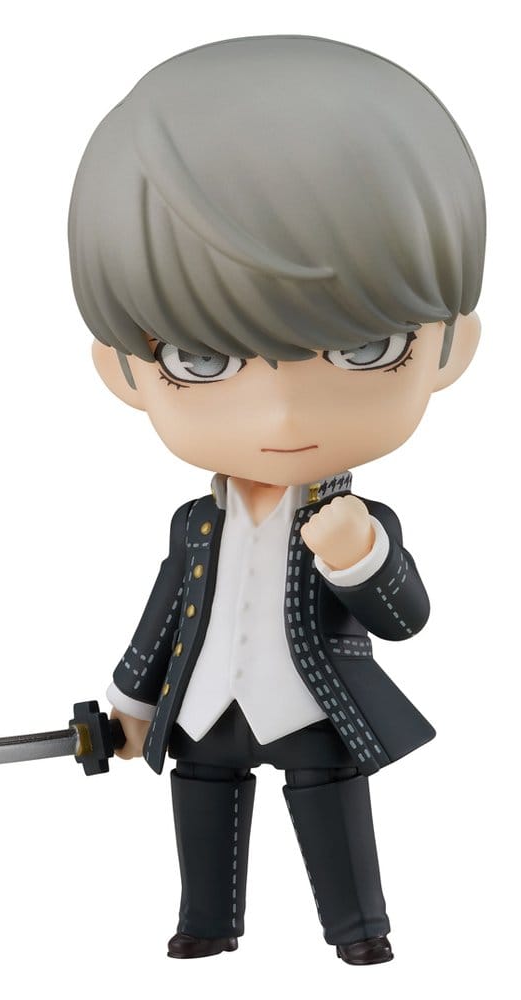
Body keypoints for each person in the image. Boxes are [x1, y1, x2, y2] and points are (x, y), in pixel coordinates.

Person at [68, 36, 485, 964]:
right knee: (202, 802)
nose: (284, 413)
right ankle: (207, 924)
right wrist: (131, 701)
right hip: (205, 706)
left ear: (450, 348)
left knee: (330, 809)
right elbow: (165, 614)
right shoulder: (196, 525)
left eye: (366, 349)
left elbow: (406, 618)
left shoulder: (356, 521)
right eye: (200, 360)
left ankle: (358, 931)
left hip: (313, 706)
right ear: (125, 372)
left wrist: (361, 558)